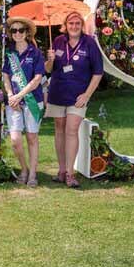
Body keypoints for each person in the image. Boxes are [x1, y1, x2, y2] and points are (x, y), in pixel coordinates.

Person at [45, 11, 103, 188]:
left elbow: (98, 72)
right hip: (57, 92)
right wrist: (50, 59)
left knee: (72, 130)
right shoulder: (57, 41)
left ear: (81, 25)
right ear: (66, 25)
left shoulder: (90, 43)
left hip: (78, 96)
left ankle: (70, 173)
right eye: (71, 23)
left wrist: (87, 95)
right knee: (59, 129)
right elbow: (48, 69)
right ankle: (61, 171)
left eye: (77, 23)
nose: (74, 26)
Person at [2, 17, 45, 186]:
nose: (17, 33)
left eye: (21, 30)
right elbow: (6, 76)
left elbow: (37, 79)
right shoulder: (9, 53)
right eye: (14, 30)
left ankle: (33, 174)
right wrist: (11, 94)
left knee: (32, 138)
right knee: (15, 140)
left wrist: (19, 96)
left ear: (27, 33)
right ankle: (24, 169)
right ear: (11, 34)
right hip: (13, 102)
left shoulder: (35, 53)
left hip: (33, 100)